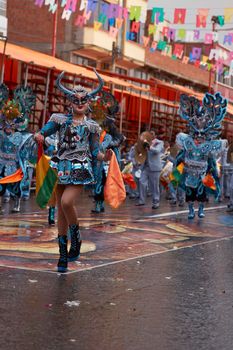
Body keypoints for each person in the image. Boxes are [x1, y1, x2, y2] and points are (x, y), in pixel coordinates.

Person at [34, 69, 110, 273]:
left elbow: (95, 152)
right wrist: (38, 136)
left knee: (67, 202)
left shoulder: (92, 126)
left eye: (83, 99)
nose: (79, 102)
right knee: (61, 209)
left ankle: (76, 238)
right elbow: (43, 132)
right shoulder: (58, 119)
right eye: (75, 99)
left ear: (89, 102)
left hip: (80, 167)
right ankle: (63, 255)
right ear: (69, 102)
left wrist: (106, 157)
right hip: (60, 166)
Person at [173, 92, 228, 219]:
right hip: (189, 173)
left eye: (202, 135)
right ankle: (191, 210)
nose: (198, 137)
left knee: (203, 194)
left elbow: (212, 158)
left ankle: (201, 209)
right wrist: (178, 169)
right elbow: (181, 157)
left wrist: (212, 167)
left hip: (203, 173)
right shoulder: (186, 141)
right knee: (190, 194)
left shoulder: (209, 145)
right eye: (196, 134)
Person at [0, 84, 36, 213]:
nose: (8, 127)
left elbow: (25, 150)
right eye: (6, 123)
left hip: (14, 165)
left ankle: (17, 203)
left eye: (11, 124)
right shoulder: (1, 134)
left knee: (14, 186)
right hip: (1, 163)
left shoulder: (20, 136)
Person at [91, 92, 125, 214]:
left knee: (101, 180)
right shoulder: (91, 124)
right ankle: (98, 203)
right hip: (94, 156)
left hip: (105, 158)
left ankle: (99, 204)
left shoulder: (109, 124)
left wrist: (108, 144)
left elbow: (120, 138)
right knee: (95, 181)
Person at [135, 131, 164, 209]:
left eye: (152, 134)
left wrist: (149, 147)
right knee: (141, 181)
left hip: (154, 168)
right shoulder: (145, 142)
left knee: (154, 186)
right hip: (145, 167)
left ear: (155, 135)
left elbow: (157, 151)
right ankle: (141, 201)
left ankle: (156, 202)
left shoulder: (159, 142)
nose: (150, 135)